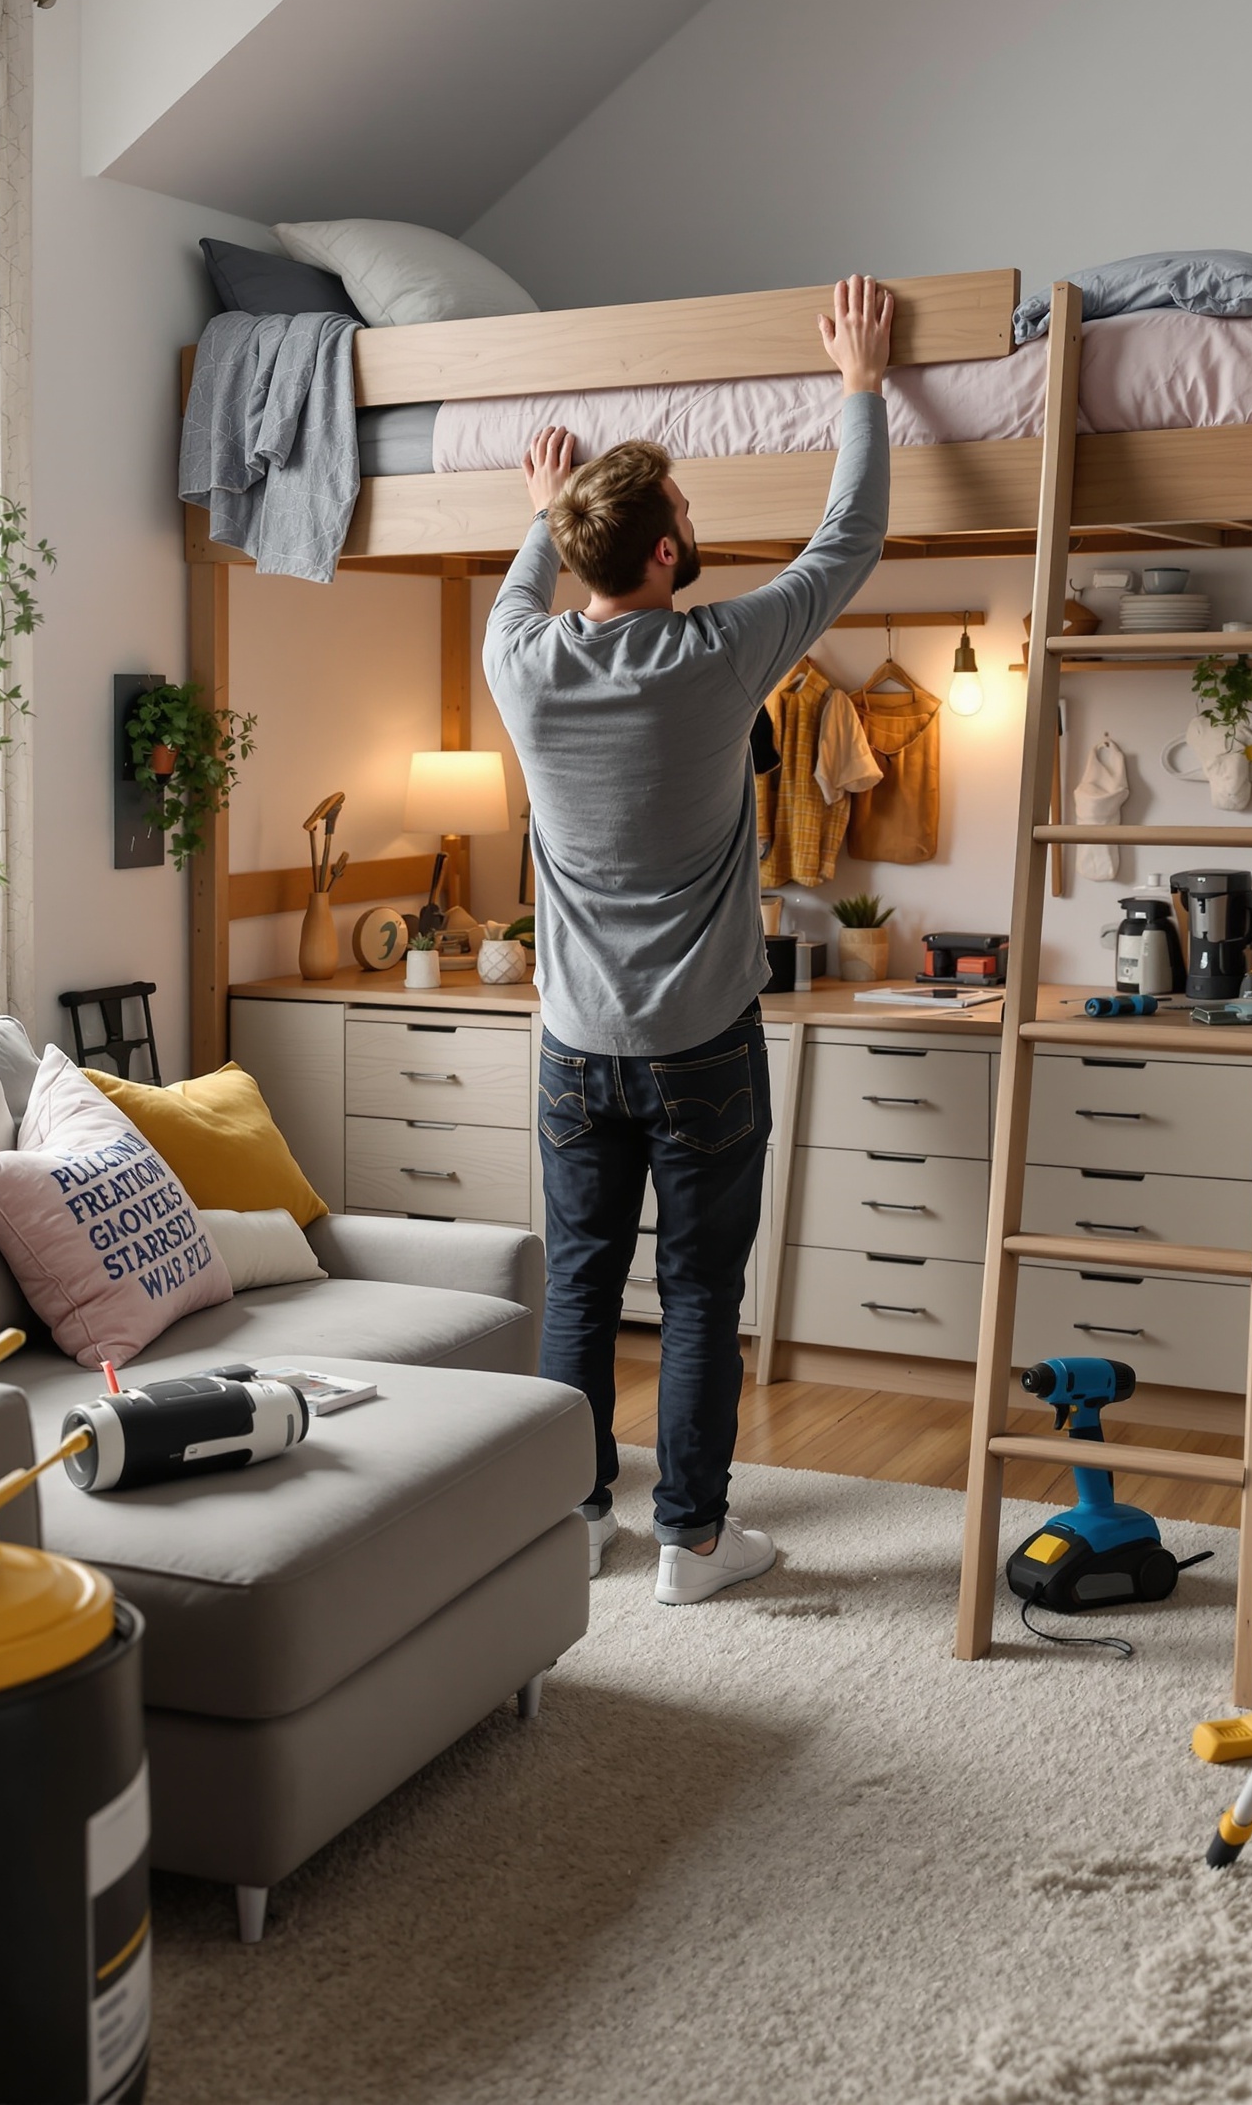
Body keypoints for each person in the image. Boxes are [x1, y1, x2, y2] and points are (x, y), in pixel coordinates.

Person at [483, 276, 894, 1602]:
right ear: (663, 555)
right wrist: (860, 386)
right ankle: (693, 1541)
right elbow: (847, 542)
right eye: (685, 518)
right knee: (704, 1290)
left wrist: (543, 516)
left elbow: (525, 586)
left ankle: (571, 1518)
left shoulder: (518, 662)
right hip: (702, 1044)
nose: (696, 529)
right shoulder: (719, 653)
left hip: (569, 1047)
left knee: (581, 1291)